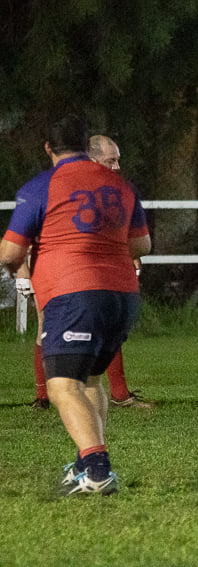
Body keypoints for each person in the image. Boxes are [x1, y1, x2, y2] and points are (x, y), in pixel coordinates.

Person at [0, 115, 150, 495]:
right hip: (123, 296)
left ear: (48, 148)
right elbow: (142, 246)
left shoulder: (41, 187)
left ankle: (98, 471)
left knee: (63, 386)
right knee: (90, 381)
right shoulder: (121, 185)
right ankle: (86, 464)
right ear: (86, 145)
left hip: (74, 293)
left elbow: (12, 250)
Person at [25, 135, 152, 410]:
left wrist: (127, 256)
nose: (117, 167)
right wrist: (25, 270)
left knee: (107, 326)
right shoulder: (60, 185)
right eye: (111, 161)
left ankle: (118, 394)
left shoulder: (113, 190)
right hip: (58, 269)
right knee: (46, 327)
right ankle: (44, 397)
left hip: (93, 272)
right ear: (92, 160)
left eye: (118, 161)